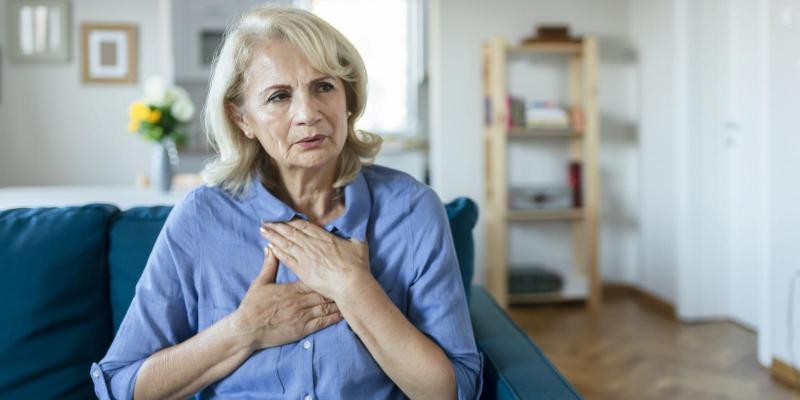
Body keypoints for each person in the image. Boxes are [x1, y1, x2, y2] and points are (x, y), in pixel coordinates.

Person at [90, 5, 482, 400]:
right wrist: (243, 330)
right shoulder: (200, 218)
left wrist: (355, 289)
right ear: (241, 117)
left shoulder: (413, 211)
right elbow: (122, 387)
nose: (307, 114)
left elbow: (455, 390)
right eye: (279, 96)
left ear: (348, 96)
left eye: (324, 87)